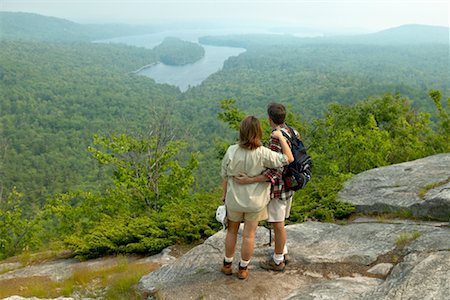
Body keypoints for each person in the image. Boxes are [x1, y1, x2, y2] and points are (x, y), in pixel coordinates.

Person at [220, 115, 294, 280]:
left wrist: (224, 196)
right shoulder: (263, 153)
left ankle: (227, 265)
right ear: (258, 132)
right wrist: (281, 138)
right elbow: (288, 159)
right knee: (249, 236)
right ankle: (243, 268)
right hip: (255, 202)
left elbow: (224, 176)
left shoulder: (231, 151)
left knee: (231, 232)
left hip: (234, 201)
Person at [234, 102, 300, 272]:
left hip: (279, 189)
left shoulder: (276, 138)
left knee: (278, 225)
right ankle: (282, 252)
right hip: (289, 186)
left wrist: (251, 179)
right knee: (280, 223)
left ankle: (278, 261)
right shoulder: (292, 131)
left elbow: (275, 171)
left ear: (269, 118)